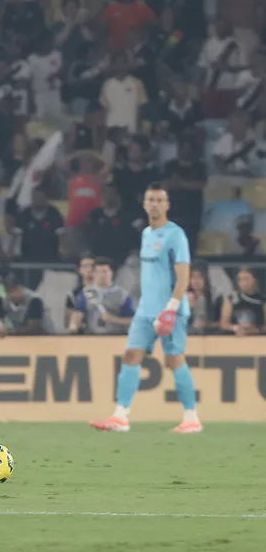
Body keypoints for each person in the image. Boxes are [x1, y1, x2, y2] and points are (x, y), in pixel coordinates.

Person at [90, 183, 200, 435]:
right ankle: (120, 416)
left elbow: (183, 276)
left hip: (169, 309)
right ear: (144, 204)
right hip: (145, 309)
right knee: (131, 356)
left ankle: (191, 417)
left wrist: (171, 309)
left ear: (167, 205)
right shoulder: (147, 234)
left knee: (174, 360)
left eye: (160, 200)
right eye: (151, 200)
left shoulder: (176, 235)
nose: (155, 204)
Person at [68, 258, 135, 335]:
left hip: (115, 337)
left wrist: (113, 319)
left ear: (111, 273)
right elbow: (78, 313)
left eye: (105, 271)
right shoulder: (86, 293)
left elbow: (131, 320)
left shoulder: (123, 296)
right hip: (91, 337)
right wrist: (74, 325)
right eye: (98, 272)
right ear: (93, 274)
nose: (102, 275)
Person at [218, 267, 266, 336]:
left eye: (247, 279)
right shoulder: (231, 299)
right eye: (240, 280)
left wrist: (253, 330)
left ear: (255, 280)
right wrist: (235, 328)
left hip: (257, 339)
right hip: (234, 339)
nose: (244, 282)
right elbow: (223, 324)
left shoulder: (262, 301)